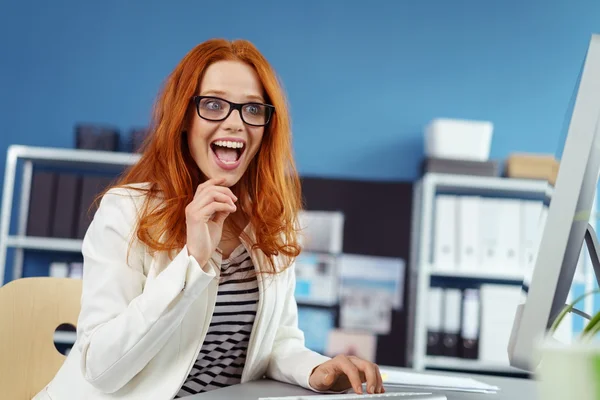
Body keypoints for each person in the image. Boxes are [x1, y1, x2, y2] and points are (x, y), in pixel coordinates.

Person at [34, 38, 385, 400]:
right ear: (184, 118)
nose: (235, 123)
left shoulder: (269, 223)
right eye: (214, 105)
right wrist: (193, 260)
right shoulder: (125, 211)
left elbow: (275, 342)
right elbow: (100, 369)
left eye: (252, 108)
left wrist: (317, 370)